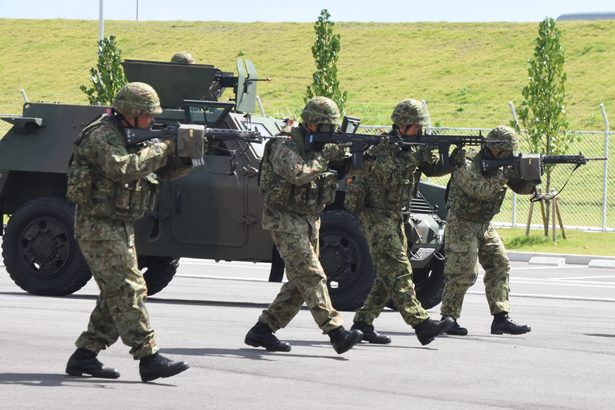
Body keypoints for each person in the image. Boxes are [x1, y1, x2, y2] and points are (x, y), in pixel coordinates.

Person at [65, 82, 193, 382]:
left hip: (119, 225)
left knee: (118, 292)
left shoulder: (129, 135)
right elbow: (123, 169)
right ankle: (149, 357)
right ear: (130, 114)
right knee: (129, 288)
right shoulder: (102, 135)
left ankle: (85, 354)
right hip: (97, 226)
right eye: (148, 115)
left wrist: (185, 156)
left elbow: (161, 172)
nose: (151, 121)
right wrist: (162, 147)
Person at [244, 97, 363, 354]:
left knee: (300, 283)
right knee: (311, 275)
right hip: (284, 218)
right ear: (311, 125)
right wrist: (324, 157)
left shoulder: (316, 146)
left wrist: (352, 157)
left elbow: (347, 173)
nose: (330, 133)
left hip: (310, 218)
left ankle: (263, 330)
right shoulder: (284, 143)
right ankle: (336, 332)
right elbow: (299, 174)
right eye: (326, 128)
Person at [345, 99, 454, 346]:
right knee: (399, 269)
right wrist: (415, 155)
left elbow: (432, 168)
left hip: (398, 215)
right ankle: (421, 324)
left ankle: (363, 322)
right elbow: (390, 174)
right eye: (416, 127)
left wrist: (450, 157)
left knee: (388, 274)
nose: (421, 131)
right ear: (402, 125)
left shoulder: (412, 147)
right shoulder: (380, 148)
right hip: (376, 214)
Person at [440, 125, 534, 336]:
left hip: (484, 223)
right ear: (496, 150)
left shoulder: (502, 164)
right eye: (507, 150)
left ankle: (501, 317)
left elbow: (522, 189)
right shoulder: (466, 161)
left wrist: (531, 174)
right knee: (463, 271)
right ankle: (449, 317)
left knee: (500, 264)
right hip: (462, 222)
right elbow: (480, 190)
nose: (510, 154)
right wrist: (504, 173)